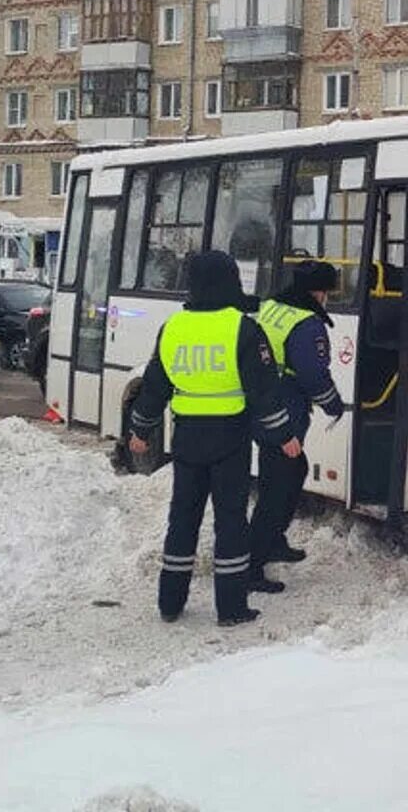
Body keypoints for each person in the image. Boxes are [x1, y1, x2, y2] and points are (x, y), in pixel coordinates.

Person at [128, 250, 297, 627]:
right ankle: (231, 608)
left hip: (186, 439)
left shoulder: (173, 328)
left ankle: (170, 603)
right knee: (231, 523)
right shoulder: (243, 328)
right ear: (232, 281)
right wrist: (284, 435)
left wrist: (140, 430)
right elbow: (264, 391)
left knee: (182, 520)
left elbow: (155, 387)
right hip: (230, 441)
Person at [248, 260, 345, 593]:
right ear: (316, 293)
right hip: (284, 413)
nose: (327, 300)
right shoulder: (306, 325)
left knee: (290, 473)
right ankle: (251, 566)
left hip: (265, 407)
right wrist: (334, 404)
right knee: (278, 488)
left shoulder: (274, 307)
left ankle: (272, 541)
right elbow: (312, 375)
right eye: (327, 293)